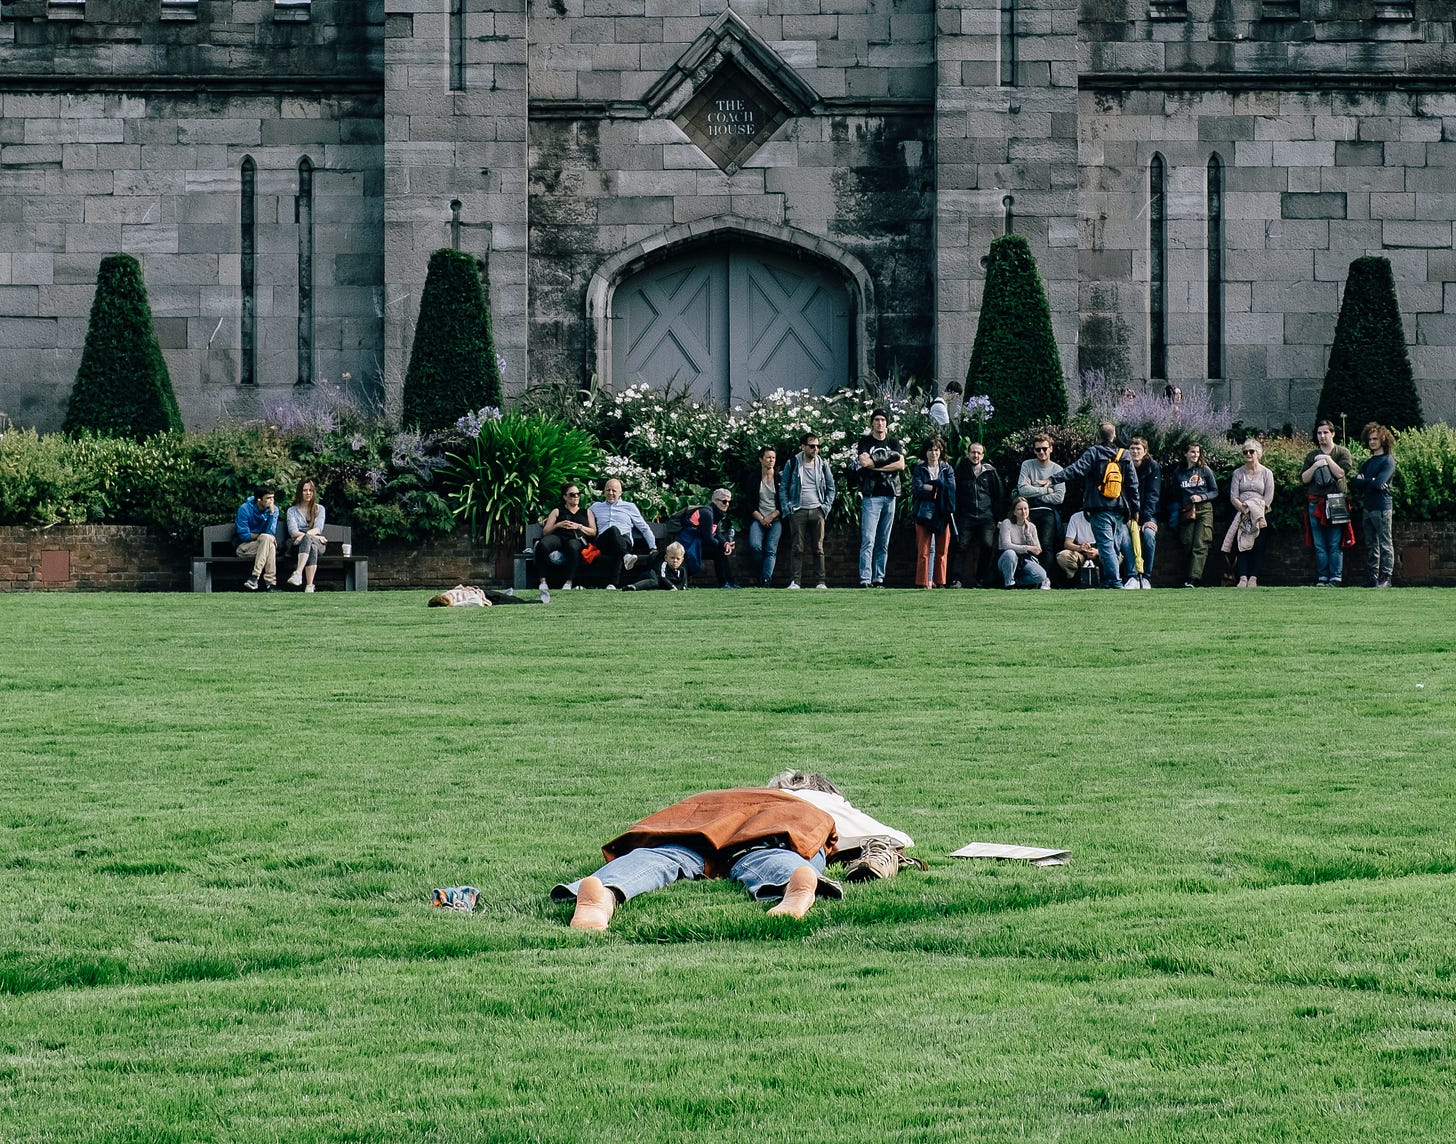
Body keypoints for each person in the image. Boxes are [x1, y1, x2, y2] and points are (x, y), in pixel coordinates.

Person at [552, 786, 845, 930]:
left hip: (700, 825)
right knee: (770, 855)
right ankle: (790, 885)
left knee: (660, 857)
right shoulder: (818, 802)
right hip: (779, 827)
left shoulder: (730, 794)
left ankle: (604, 893)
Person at [1042, 422, 1141, 589]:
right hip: (1119, 508)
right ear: (1114, 436)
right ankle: (1111, 580)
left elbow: (1076, 469)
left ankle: (1114, 582)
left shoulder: (1093, 452)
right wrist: (1136, 509)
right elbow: (1133, 485)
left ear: (1098, 437)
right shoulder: (1124, 455)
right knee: (1113, 547)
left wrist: (1053, 479)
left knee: (1107, 546)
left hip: (1099, 507)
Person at [1301, 419, 1355, 587]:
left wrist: (1326, 459)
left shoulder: (1342, 452)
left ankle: (1335, 578)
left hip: (1336, 502)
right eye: (1319, 433)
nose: (1322, 436)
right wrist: (1317, 464)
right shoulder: (1311, 456)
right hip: (1315, 502)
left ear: (1332, 434)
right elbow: (1304, 478)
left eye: (1325, 432)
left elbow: (1340, 473)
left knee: (1334, 542)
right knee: (1319, 544)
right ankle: (1323, 577)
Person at [854, 409, 905, 588]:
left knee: (883, 540)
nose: (880, 423)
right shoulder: (865, 442)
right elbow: (864, 462)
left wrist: (876, 467)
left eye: (883, 420)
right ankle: (865, 579)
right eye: (876, 419)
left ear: (887, 423)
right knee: (868, 538)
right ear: (872, 423)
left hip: (890, 494)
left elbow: (901, 464)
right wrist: (887, 462)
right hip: (871, 495)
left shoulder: (893, 442)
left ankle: (878, 578)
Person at [778, 431, 835, 590]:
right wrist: (787, 508)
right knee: (797, 547)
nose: (815, 449)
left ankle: (821, 581)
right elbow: (783, 487)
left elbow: (831, 488)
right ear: (803, 447)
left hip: (817, 510)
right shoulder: (793, 463)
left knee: (818, 548)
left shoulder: (822, 464)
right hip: (798, 509)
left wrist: (825, 508)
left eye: (817, 446)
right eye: (811, 446)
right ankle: (795, 581)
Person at [587, 478, 657, 589]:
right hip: (603, 543)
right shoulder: (595, 507)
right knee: (613, 530)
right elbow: (582, 518)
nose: (610, 493)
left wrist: (653, 547)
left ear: (620, 493)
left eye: (614, 491)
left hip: (624, 541)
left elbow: (644, 528)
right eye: (608, 490)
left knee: (619, 544)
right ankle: (626, 556)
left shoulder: (630, 507)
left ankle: (612, 584)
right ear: (604, 491)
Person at [1223, 439, 1275, 588]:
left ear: (1258, 453)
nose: (1248, 454)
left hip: (1260, 514)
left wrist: (1257, 511)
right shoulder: (1238, 473)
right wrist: (1244, 510)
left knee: (1258, 545)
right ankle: (1243, 577)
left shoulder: (1267, 473)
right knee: (1242, 545)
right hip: (1242, 514)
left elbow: (1268, 497)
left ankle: (1253, 577)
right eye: (1245, 452)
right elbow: (1234, 496)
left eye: (1251, 451)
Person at [1350, 422, 1397, 587]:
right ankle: (1373, 577)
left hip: (1382, 507)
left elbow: (1379, 484)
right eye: (1370, 439)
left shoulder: (1388, 461)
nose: (1372, 442)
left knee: (1385, 543)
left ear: (1383, 440)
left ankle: (1386, 577)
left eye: (1375, 439)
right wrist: (1372, 481)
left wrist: (1368, 481)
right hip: (1368, 507)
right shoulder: (1369, 462)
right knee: (1371, 544)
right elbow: (1355, 482)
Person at [953, 441, 1002, 588]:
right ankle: (956, 579)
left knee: (987, 546)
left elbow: (999, 495)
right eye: (973, 452)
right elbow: (956, 495)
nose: (975, 455)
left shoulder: (990, 472)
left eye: (978, 453)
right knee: (960, 546)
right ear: (968, 454)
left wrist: (998, 518)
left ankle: (981, 578)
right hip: (966, 516)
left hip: (986, 516)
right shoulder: (960, 471)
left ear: (983, 455)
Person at [1170, 441, 1218, 588]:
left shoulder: (1205, 470)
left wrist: (1201, 497)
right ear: (1185, 454)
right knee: (1188, 541)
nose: (1195, 455)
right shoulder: (1178, 472)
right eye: (1192, 452)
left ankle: (1194, 578)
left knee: (1201, 543)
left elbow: (1215, 491)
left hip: (1204, 508)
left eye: (1197, 452)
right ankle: (1190, 574)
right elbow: (1175, 494)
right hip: (1187, 510)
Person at [1016, 434, 1065, 574]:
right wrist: (1046, 490)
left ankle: (1046, 578)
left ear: (1051, 449)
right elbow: (1022, 490)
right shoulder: (1027, 465)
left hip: (1047, 511)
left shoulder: (1057, 470)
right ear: (1034, 450)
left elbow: (1059, 497)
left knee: (1046, 545)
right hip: (1028, 511)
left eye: (1044, 448)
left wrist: (1034, 490)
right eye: (1038, 449)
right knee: (1026, 545)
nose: (1041, 452)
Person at [911, 437, 956, 589]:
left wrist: (931, 486)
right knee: (923, 550)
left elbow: (950, 488)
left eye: (936, 449)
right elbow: (917, 489)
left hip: (943, 512)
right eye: (930, 449)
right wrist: (936, 488)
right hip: (923, 511)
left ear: (941, 451)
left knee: (942, 550)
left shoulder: (947, 468)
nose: (933, 453)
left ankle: (940, 581)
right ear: (926, 451)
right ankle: (923, 582)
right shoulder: (919, 468)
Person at [535, 483, 596, 592]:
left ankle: (568, 582)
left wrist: (578, 526)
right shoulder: (557, 511)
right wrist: (558, 525)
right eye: (572, 495)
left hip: (575, 538)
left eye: (578, 494)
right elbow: (546, 531)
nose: (576, 497)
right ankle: (543, 581)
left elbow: (593, 532)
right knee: (543, 545)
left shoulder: (586, 512)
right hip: (559, 536)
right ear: (565, 497)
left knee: (573, 547)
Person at [675, 488, 739, 587]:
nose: (727, 504)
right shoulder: (707, 513)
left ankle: (729, 582)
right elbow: (708, 538)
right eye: (724, 501)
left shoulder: (717, 513)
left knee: (720, 552)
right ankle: (725, 583)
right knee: (719, 552)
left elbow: (717, 534)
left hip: (697, 544)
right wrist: (722, 546)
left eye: (729, 501)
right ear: (715, 501)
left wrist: (725, 544)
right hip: (689, 545)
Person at [745, 445, 782, 587]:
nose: (771, 460)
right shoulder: (753, 478)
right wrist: (761, 519)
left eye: (773, 457)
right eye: (768, 457)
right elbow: (749, 503)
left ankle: (766, 580)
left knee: (771, 548)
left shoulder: (780, 478)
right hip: (758, 518)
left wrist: (772, 516)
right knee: (755, 546)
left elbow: (784, 503)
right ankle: (760, 575)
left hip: (776, 519)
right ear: (761, 459)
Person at [1127, 436, 1160, 588]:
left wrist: (1146, 520)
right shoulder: (1124, 465)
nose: (1135, 451)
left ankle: (1146, 576)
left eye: (1138, 449)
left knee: (1148, 535)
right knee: (1124, 537)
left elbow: (1153, 495)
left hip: (1147, 514)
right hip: (1127, 514)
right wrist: (1130, 518)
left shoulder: (1153, 467)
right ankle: (1132, 576)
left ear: (1145, 451)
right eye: (1132, 449)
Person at [997, 496, 1050, 589]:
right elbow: (1007, 545)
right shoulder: (1006, 523)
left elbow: (1038, 549)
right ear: (1014, 512)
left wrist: (1028, 534)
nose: (1024, 511)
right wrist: (1027, 548)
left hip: (1024, 559)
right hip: (1007, 558)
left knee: (1041, 576)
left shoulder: (1032, 526)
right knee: (1010, 553)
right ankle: (1009, 583)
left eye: (1026, 508)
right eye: (1020, 509)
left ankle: (1017, 582)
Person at [284, 477, 327, 593]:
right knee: (311, 546)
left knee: (311, 542)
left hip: (317, 544)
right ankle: (309, 586)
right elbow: (293, 531)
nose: (308, 493)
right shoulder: (292, 511)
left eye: (310, 490)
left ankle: (298, 573)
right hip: (297, 545)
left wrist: (307, 535)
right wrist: (312, 537)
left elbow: (318, 528)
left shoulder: (320, 509)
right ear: (299, 492)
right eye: (305, 490)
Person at [235, 483, 279, 592]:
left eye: (272, 498)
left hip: (263, 546)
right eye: (268, 498)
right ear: (259, 499)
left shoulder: (274, 510)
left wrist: (271, 515)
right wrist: (261, 537)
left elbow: (270, 532)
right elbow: (243, 535)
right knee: (269, 543)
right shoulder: (244, 509)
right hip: (244, 548)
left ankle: (255, 578)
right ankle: (270, 584)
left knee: (268, 541)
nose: (271, 501)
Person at [624, 541, 689, 590]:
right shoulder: (664, 565)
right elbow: (662, 577)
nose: (675, 561)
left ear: (682, 560)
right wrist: (671, 586)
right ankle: (634, 586)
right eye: (672, 558)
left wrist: (684, 587)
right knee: (654, 582)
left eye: (678, 559)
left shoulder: (682, 569)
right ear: (666, 558)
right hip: (653, 575)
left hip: (662, 583)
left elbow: (684, 579)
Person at [428, 584, 549, 606]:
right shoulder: (448, 594)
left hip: (483, 595)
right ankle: (541, 601)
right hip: (482, 593)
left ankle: (541, 601)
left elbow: (477, 602)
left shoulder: (455, 601)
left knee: (516, 601)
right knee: (512, 600)